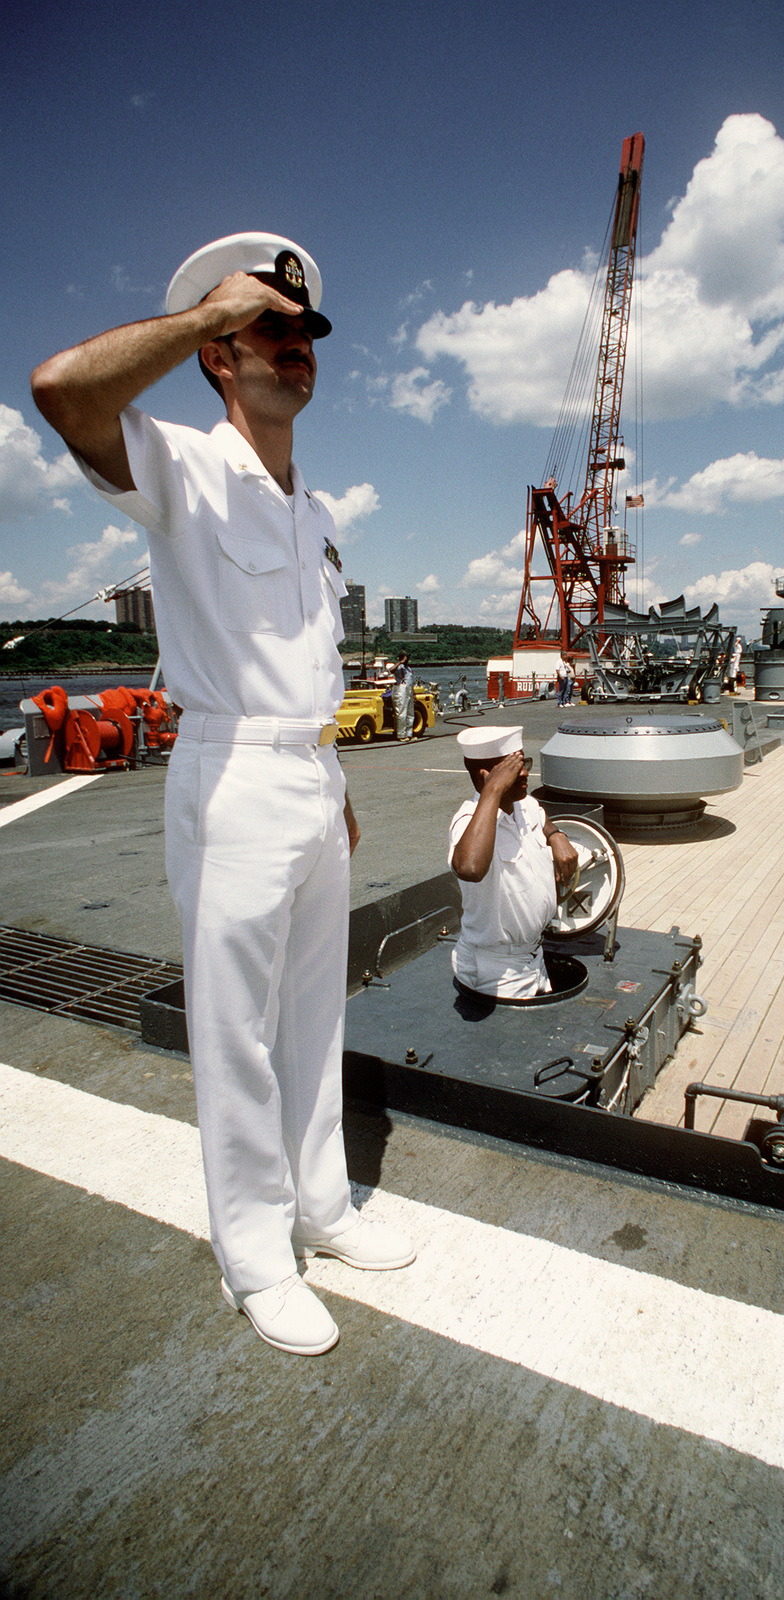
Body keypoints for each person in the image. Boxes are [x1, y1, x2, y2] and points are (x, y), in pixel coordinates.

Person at [30, 232, 415, 1357]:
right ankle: (253, 1258)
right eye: (270, 329)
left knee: (312, 1014)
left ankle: (322, 1208)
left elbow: (310, 660)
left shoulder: (316, 510)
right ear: (218, 351)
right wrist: (206, 310)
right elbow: (59, 388)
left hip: (308, 773)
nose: (295, 351)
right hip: (230, 771)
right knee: (235, 1030)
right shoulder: (182, 468)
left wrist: (333, 778)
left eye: (305, 335)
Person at [449, 726, 578, 998]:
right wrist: (493, 791)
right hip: (496, 969)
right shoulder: (467, 820)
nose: (525, 773)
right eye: (512, 768)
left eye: (524, 763)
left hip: (533, 957)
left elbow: (541, 818)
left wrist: (556, 836)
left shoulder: (525, 805)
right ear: (487, 777)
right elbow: (469, 868)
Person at [393, 650, 415, 740]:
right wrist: (400, 662)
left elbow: (410, 680)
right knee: (402, 712)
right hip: (402, 688)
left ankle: (409, 734)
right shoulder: (399, 667)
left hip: (409, 690)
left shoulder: (408, 669)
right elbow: (391, 670)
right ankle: (401, 734)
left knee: (410, 712)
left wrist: (414, 694)